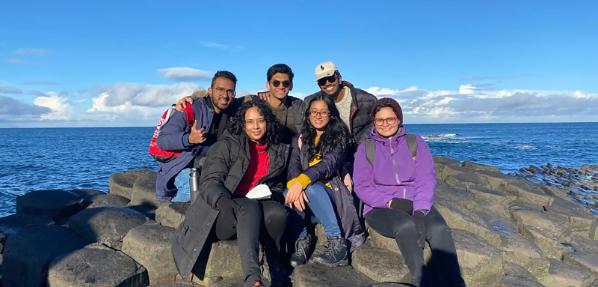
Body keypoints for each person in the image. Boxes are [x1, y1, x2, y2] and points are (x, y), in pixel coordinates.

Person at [171, 98, 290, 287]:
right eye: (250, 122)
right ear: (242, 124)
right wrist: (224, 202)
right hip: (221, 212)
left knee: (278, 213)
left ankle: (274, 264)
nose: (256, 126)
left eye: (260, 120)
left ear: (268, 121)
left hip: (254, 206)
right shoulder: (227, 145)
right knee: (248, 207)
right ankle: (253, 279)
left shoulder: (275, 149)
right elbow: (210, 181)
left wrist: (273, 194)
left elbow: (275, 184)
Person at [353, 98, 465, 287]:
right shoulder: (366, 148)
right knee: (405, 225)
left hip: (414, 200)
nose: (385, 124)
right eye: (380, 120)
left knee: (438, 229)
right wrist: (390, 202)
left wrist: (420, 210)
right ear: (374, 122)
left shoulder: (415, 142)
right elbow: (362, 186)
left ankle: (455, 282)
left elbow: (425, 178)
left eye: (390, 119)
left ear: (399, 119)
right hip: (379, 207)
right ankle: (421, 279)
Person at [285, 95, 365, 267]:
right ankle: (303, 239)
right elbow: (293, 166)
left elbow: (328, 164)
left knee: (312, 188)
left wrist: (302, 182)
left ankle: (338, 243)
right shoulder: (300, 138)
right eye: (314, 112)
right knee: (287, 193)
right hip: (309, 200)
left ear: (331, 115)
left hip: (333, 196)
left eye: (323, 112)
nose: (318, 116)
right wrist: (295, 185)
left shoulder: (339, 137)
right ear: (307, 115)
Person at [155, 71, 239, 201]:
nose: (225, 95)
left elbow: (252, 101)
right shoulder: (191, 108)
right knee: (192, 189)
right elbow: (163, 140)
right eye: (220, 89)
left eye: (230, 91)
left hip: (210, 166)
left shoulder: (233, 113)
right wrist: (188, 139)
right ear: (210, 91)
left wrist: (266, 95)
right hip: (181, 167)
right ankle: (168, 213)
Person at [304, 61, 377, 145]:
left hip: (363, 150)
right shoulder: (310, 102)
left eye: (331, 78)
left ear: (339, 78)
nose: (327, 83)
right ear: (319, 85)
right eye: (322, 81)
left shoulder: (367, 100)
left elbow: (377, 125)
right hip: (332, 152)